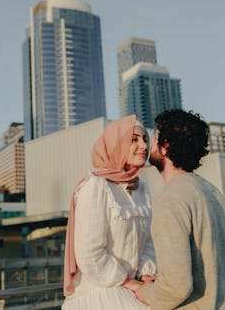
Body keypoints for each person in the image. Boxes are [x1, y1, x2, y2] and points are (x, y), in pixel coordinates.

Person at [135, 109, 225, 309]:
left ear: (166, 147)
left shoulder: (169, 199)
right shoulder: (212, 192)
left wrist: (143, 291)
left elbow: (177, 288)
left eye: (154, 139)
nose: (149, 146)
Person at [62, 114, 156, 310]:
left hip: (135, 286)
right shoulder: (96, 187)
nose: (144, 146)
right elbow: (89, 254)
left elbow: (148, 240)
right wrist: (129, 283)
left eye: (145, 139)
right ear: (116, 145)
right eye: (134, 140)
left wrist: (145, 273)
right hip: (100, 291)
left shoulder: (144, 188)